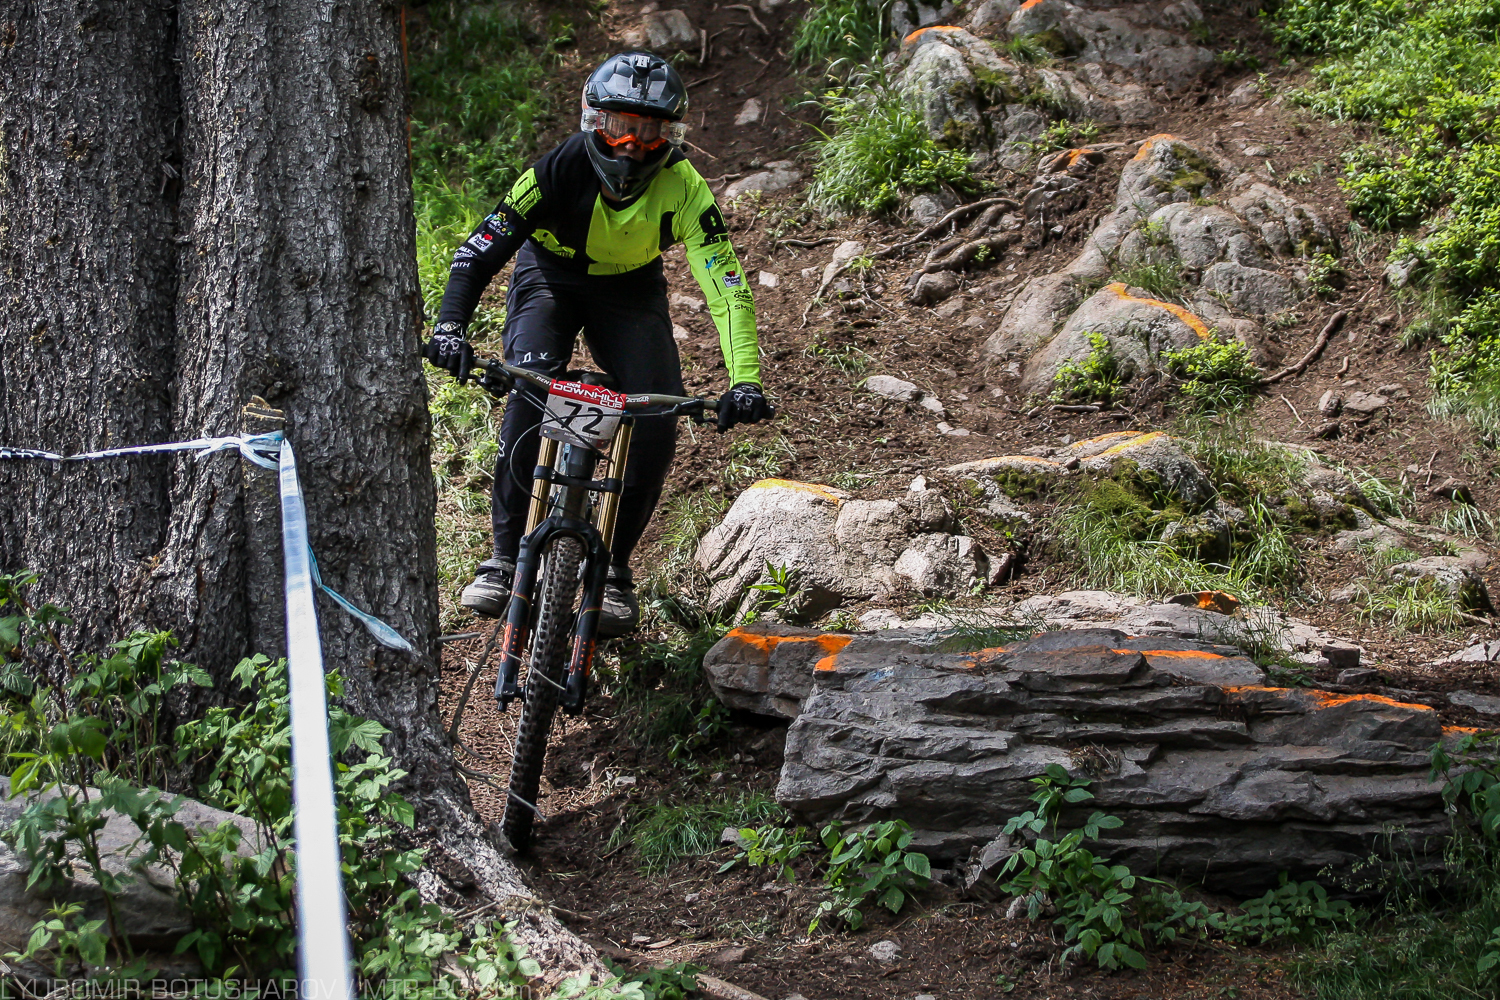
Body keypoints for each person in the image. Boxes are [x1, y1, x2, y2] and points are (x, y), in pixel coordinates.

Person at [422, 51, 771, 637]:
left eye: (650, 131)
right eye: (619, 127)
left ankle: (612, 572)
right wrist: (450, 326)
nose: (632, 146)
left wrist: (746, 379)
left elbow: (727, 287)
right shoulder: (554, 171)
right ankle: (504, 559)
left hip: (630, 291)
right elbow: (479, 251)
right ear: (592, 121)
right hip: (550, 277)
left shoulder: (687, 190)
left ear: (672, 135)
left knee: (656, 416)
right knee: (529, 392)